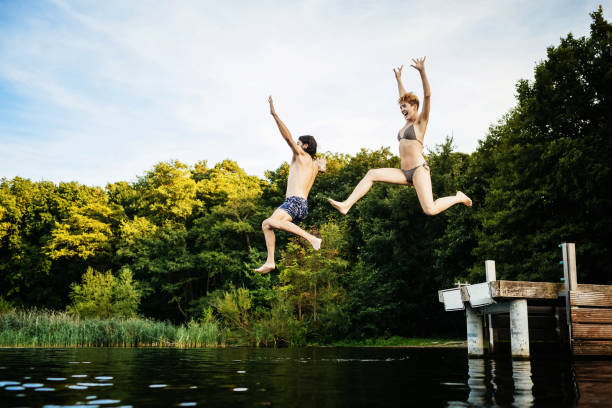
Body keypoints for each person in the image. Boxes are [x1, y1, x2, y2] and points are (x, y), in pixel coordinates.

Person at [328, 57, 472, 216]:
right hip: (404, 173)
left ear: (414, 106)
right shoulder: (406, 124)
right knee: (372, 174)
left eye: (405, 107)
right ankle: (347, 204)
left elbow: (428, 95)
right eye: (401, 107)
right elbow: (404, 96)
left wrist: (422, 72)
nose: (402, 109)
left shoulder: (420, 122)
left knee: (430, 210)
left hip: (418, 170)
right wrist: (399, 79)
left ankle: (459, 197)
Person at [255, 96, 327, 274]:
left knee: (269, 222)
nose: (295, 144)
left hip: (294, 202)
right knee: (267, 225)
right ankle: (270, 261)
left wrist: (274, 114)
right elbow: (312, 180)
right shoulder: (313, 165)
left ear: (305, 145)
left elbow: (286, 138)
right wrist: (321, 168)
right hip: (299, 203)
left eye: (298, 143)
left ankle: (312, 238)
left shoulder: (302, 156)